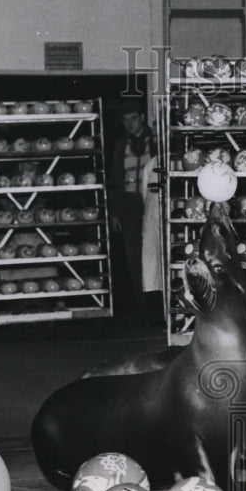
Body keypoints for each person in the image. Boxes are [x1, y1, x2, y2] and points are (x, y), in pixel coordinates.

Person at [108, 99, 161, 323]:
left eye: (133, 119)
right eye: (125, 120)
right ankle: (144, 310)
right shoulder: (121, 145)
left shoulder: (156, 140)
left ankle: (162, 306)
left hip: (153, 201)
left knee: (157, 254)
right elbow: (115, 180)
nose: (130, 124)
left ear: (141, 118)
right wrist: (115, 212)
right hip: (129, 204)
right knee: (134, 257)